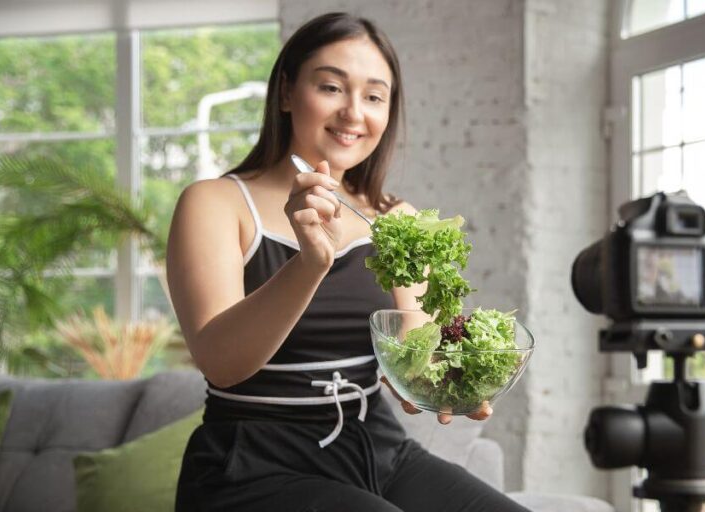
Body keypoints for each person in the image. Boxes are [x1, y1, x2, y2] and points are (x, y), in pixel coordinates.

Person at [167, 12, 529, 512]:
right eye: (332, 87)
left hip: (375, 447)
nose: (354, 113)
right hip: (252, 462)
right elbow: (221, 363)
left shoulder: (396, 220)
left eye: (375, 96)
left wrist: (446, 384)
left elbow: (414, 356)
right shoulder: (215, 203)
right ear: (288, 93)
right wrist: (309, 263)